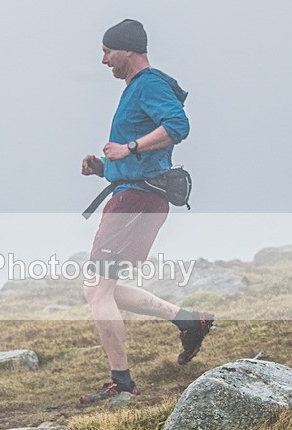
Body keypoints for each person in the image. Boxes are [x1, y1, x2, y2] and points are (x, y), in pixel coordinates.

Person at [79, 19, 214, 403]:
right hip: (133, 195)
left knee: (96, 289)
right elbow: (147, 154)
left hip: (136, 201)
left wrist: (130, 147)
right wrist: (104, 168)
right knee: (106, 289)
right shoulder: (135, 89)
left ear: (128, 50)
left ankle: (121, 380)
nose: (103, 60)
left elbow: (178, 125)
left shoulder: (149, 83)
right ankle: (190, 321)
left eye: (108, 51)